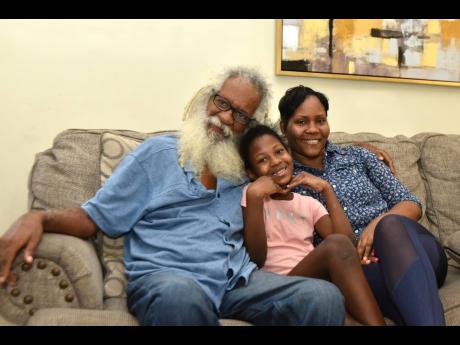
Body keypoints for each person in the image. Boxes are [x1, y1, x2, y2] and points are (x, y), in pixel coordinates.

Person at [0, 67, 346, 326]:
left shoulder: (246, 169)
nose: (224, 116)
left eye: (239, 114)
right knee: (181, 295)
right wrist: (39, 217)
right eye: (221, 102)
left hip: (233, 281)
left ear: (249, 124)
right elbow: (95, 217)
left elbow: (297, 150)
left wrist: (361, 150)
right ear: (207, 98)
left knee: (322, 296)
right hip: (170, 279)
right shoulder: (156, 154)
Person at [278, 85, 448, 326]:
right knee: (387, 294)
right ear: (283, 127)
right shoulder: (285, 179)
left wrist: (376, 226)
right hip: (361, 270)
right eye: (301, 122)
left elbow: (411, 204)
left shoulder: (359, 157)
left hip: (415, 249)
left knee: (389, 226)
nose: (313, 129)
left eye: (320, 120)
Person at [238, 124, 385, 326]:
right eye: (262, 160)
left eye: (279, 151)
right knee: (335, 245)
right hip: (279, 285)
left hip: (316, 283)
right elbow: (257, 258)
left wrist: (326, 190)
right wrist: (255, 195)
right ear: (252, 173)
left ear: (288, 152)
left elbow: (347, 245)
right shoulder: (251, 196)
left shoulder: (308, 203)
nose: (275, 162)